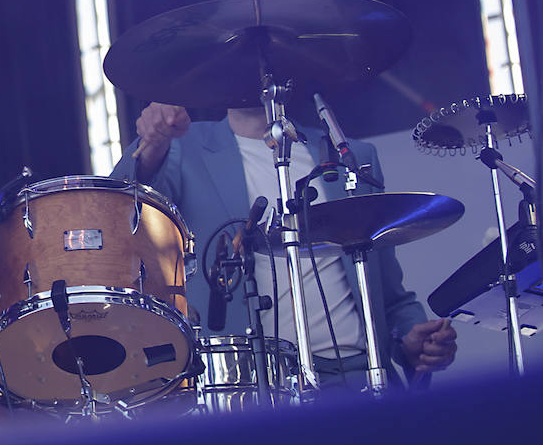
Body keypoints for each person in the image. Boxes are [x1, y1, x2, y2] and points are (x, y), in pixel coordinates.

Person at [113, 102, 457, 389]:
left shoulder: (347, 155)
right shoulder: (181, 147)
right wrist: (151, 145)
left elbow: (388, 293)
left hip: (362, 377)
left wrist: (412, 340)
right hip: (254, 387)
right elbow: (118, 213)